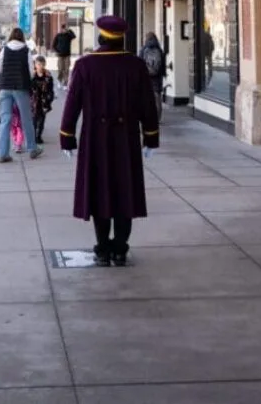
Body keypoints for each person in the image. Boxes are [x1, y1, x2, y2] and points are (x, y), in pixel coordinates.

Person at [60, 15, 159, 267]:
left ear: (101, 36)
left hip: (96, 138)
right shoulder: (135, 66)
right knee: (125, 192)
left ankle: (102, 248)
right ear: (122, 37)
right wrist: (150, 136)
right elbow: (148, 105)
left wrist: (67, 136)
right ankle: (120, 248)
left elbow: (72, 105)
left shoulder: (85, 65)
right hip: (125, 139)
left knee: (99, 192)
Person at [0, 27, 42, 163]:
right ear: (22, 37)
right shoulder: (26, 50)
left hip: (5, 87)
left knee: (5, 120)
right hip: (21, 88)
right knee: (26, 118)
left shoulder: (4, 49)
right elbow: (31, 71)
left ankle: (3, 153)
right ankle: (32, 149)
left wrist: (0, 84)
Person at [139, 31, 166, 122]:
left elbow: (139, 64)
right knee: (157, 98)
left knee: (145, 98)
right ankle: (157, 118)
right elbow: (162, 66)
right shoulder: (159, 50)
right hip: (157, 78)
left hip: (146, 78)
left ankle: (147, 117)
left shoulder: (143, 49)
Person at [31, 55, 55, 145]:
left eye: (42, 64)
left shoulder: (48, 76)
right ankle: (33, 135)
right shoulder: (33, 76)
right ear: (35, 65)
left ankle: (38, 136)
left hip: (44, 101)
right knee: (34, 119)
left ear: (45, 64)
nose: (40, 66)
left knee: (41, 119)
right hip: (34, 101)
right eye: (38, 64)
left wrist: (50, 98)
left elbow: (50, 89)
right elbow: (30, 88)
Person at [52, 23, 76, 89]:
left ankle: (65, 84)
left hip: (67, 55)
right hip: (60, 55)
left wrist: (69, 30)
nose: (65, 29)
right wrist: (57, 51)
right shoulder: (58, 35)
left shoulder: (69, 35)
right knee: (60, 69)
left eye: (66, 28)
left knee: (66, 70)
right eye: (64, 28)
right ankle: (59, 81)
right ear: (62, 29)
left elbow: (74, 36)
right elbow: (53, 45)